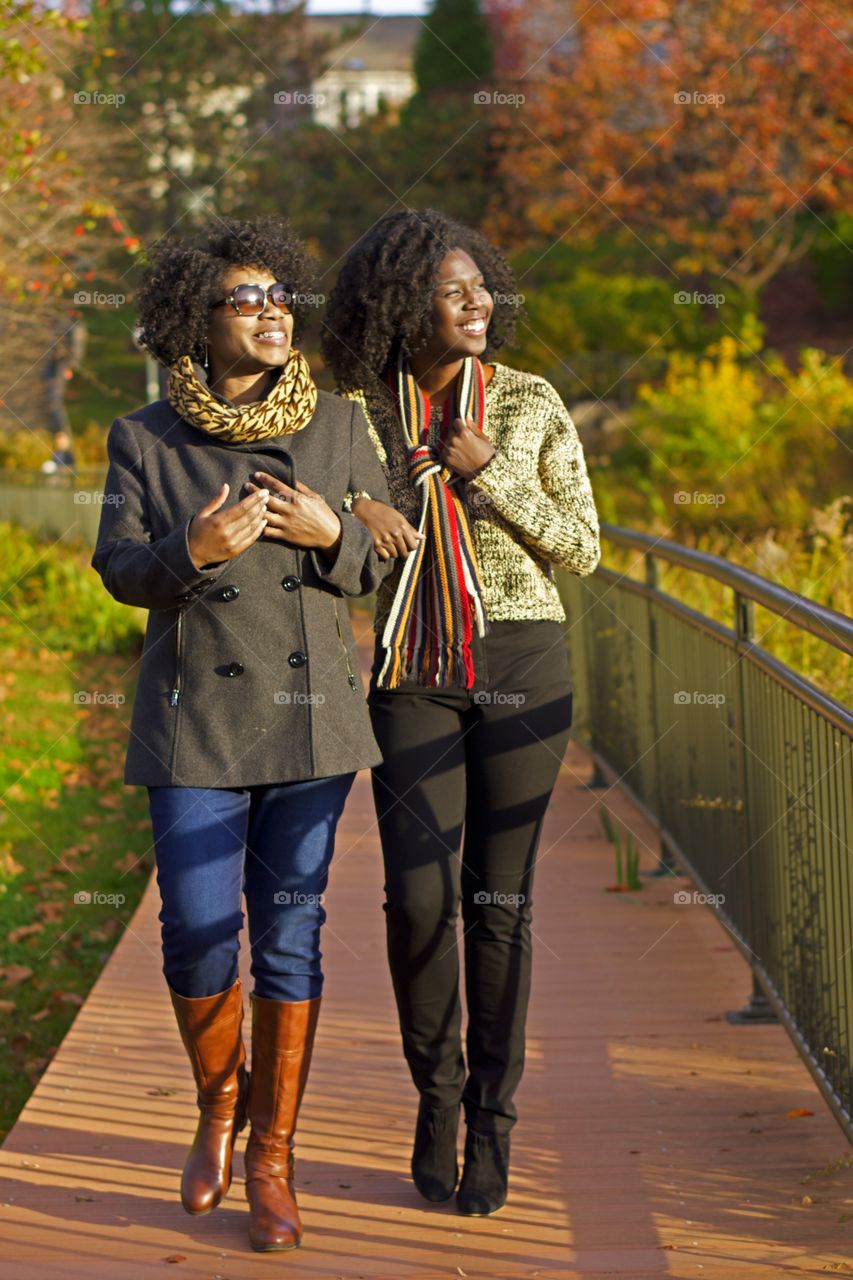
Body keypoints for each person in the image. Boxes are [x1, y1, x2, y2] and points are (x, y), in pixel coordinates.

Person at [92, 217, 390, 1253]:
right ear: (198, 318)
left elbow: (382, 557)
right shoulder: (143, 438)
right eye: (246, 299)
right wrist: (193, 548)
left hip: (312, 729)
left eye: (280, 297)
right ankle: (218, 1101)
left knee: (290, 931)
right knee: (195, 926)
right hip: (196, 726)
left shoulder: (339, 423)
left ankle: (273, 1154)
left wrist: (333, 533)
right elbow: (118, 567)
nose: (272, 313)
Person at [322, 209, 600, 1216]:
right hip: (413, 665)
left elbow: (582, 545)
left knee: (498, 901)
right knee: (417, 897)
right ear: (405, 304)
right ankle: (435, 1097)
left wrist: (492, 475)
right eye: (454, 290)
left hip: (523, 657)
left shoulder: (528, 402)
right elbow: (311, 511)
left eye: (482, 284)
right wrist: (354, 509)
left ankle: (491, 1119)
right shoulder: (355, 416)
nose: (479, 300)